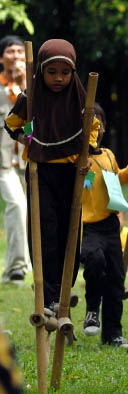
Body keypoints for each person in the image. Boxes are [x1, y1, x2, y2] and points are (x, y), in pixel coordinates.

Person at [4, 39, 99, 314]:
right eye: (52, 72)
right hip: (40, 170)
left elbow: (93, 128)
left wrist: (86, 154)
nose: (59, 78)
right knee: (44, 231)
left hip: (70, 172)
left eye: (65, 73)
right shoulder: (30, 97)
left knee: (68, 232)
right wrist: (29, 139)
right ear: (40, 71)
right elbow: (12, 125)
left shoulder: (82, 98)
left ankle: (63, 293)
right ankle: (46, 296)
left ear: (73, 73)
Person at [80, 103, 128, 347]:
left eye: (97, 123)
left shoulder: (108, 155)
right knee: (95, 261)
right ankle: (91, 310)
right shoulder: (79, 159)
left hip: (110, 226)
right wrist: (81, 172)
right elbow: (82, 187)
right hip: (86, 228)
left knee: (116, 278)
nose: (93, 128)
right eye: (88, 124)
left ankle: (112, 333)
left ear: (104, 128)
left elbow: (113, 179)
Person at [0, 35, 29, 284]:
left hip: (29, 160)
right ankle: (16, 269)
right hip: (3, 164)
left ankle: (23, 265)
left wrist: (24, 87)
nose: (16, 56)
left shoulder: (34, 90)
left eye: (20, 52)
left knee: (31, 211)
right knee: (17, 206)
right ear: (2, 58)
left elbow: (34, 128)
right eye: (11, 51)